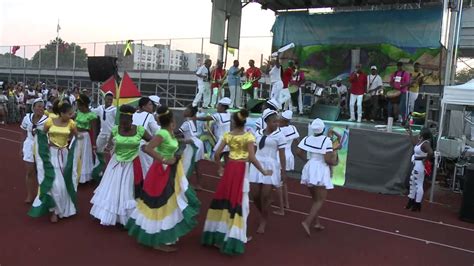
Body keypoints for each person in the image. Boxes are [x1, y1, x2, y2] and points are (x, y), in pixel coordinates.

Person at [126, 106, 200, 252]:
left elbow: (168, 145)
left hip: (171, 171)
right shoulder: (162, 133)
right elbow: (148, 148)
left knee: (170, 202)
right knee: (160, 202)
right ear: (171, 120)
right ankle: (157, 239)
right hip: (161, 171)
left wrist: (185, 142)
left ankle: (164, 236)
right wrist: (165, 160)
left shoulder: (169, 132)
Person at [202, 109, 272, 255]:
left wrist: (220, 167)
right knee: (242, 203)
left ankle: (220, 233)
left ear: (234, 121)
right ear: (245, 121)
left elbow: (216, 153)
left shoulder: (227, 135)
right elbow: (252, 158)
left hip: (230, 169)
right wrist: (263, 171)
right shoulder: (248, 136)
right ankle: (237, 235)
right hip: (240, 170)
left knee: (225, 199)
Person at [90, 105, 152, 226]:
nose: (124, 126)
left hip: (132, 163)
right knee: (112, 188)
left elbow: (153, 140)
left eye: (126, 123)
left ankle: (126, 217)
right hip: (116, 163)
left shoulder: (140, 130)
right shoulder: (115, 129)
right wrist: (108, 147)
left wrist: (146, 147)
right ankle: (108, 214)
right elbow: (109, 146)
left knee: (127, 189)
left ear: (131, 120)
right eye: (122, 123)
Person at [28, 100, 79, 223]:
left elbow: (76, 137)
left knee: (63, 184)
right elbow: (43, 135)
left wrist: (69, 145)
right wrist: (41, 137)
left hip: (64, 155)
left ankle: (62, 208)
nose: (71, 115)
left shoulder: (71, 123)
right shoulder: (50, 121)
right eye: (69, 113)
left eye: (72, 113)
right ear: (62, 113)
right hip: (51, 155)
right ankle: (54, 210)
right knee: (54, 184)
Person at [296, 118, 337, 236]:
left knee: (315, 199)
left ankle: (317, 223)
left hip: (310, 167)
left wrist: (307, 160)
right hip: (320, 169)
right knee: (320, 200)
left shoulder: (307, 138)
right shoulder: (327, 141)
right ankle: (307, 222)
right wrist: (335, 163)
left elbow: (298, 152)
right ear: (323, 129)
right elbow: (327, 159)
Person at [249, 108, 286, 234]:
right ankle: (263, 212)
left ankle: (263, 219)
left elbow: (282, 155)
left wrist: (283, 171)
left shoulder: (280, 136)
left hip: (270, 166)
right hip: (257, 164)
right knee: (254, 195)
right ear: (267, 122)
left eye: (278, 122)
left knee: (265, 196)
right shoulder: (258, 133)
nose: (277, 124)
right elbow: (253, 151)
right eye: (274, 122)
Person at [20, 98, 48, 203]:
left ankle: (40, 194)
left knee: (41, 172)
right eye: (39, 106)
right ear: (34, 107)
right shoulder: (27, 118)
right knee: (30, 171)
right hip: (29, 145)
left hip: (41, 146)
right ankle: (29, 195)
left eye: (42, 107)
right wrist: (21, 147)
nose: (41, 108)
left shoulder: (47, 120)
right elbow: (23, 133)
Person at [274, 110, 299, 216]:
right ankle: (286, 203)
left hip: (280, 156)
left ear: (283, 120)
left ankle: (281, 209)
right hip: (289, 155)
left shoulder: (278, 130)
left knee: (278, 182)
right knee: (283, 181)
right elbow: (298, 142)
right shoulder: (293, 128)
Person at [405, 127, 433, 212]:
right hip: (416, 164)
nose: (419, 133)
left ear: (423, 134)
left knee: (418, 184)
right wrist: (410, 134)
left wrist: (425, 159)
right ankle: (411, 201)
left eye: (420, 132)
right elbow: (414, 144)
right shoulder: (421, 142)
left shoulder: (425, 144)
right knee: (412, 182)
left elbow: (431, 152)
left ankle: (417, 204)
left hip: (420, 165)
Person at [194, 97, 232, 162]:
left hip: (222, 140)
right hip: (229, 139)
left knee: (214, 158)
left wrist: (196, 118)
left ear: (223, 107)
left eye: (219, 106)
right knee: (227, 159)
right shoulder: (228, 114)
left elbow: (206, 118)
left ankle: (217, 169)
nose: (217, 107)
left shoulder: (218, 115)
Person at [73, 94, 98, 185]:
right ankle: (75, 175)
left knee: (84, 157)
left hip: (85, 137)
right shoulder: (78, 113)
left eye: (79, 105)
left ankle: (83, 177)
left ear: (84, 105)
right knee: (75, 155)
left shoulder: (92, 115)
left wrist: (94, 143)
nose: (78, 107)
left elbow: (94, 130)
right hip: (76, 136)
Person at [132, 97, 160, 177]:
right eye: (150, 104)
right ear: (143, 107)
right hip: (143, 145)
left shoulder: (133, 114)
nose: (152, 106)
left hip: (131, 144)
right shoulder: (149, 115)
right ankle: (147, 188)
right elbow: (157, 131)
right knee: (147, 169)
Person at [179, 105, 205, 190]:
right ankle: (199, 184)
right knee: (197, 165)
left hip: (193, 144)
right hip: (197, 142)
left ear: (190, 112)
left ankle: (185, 185)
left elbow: (177, 133)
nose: (184, 111)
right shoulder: (191, 121)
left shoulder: (186, 123)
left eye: (186, 110)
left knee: (188, 165)